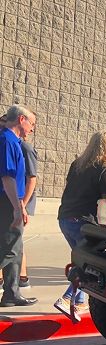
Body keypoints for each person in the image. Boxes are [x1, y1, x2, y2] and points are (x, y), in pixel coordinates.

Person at [55, 132, 106, 317]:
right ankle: (68, 299)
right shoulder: (104, 169)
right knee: (90, 264)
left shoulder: (77, 164)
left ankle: (81, 301)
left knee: (82, 261)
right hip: (85, 222)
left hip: (65, 218)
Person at [0, 105, 37, 306]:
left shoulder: (15, 141)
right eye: (31, 123)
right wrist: (18, 207)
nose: (32, 128)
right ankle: (11, 293)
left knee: (16, 248)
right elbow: (8, 178)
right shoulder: (6, 140)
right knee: (10, 249)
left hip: (12, 200)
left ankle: (11, 294)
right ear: (21, 119)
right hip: (7, 202)